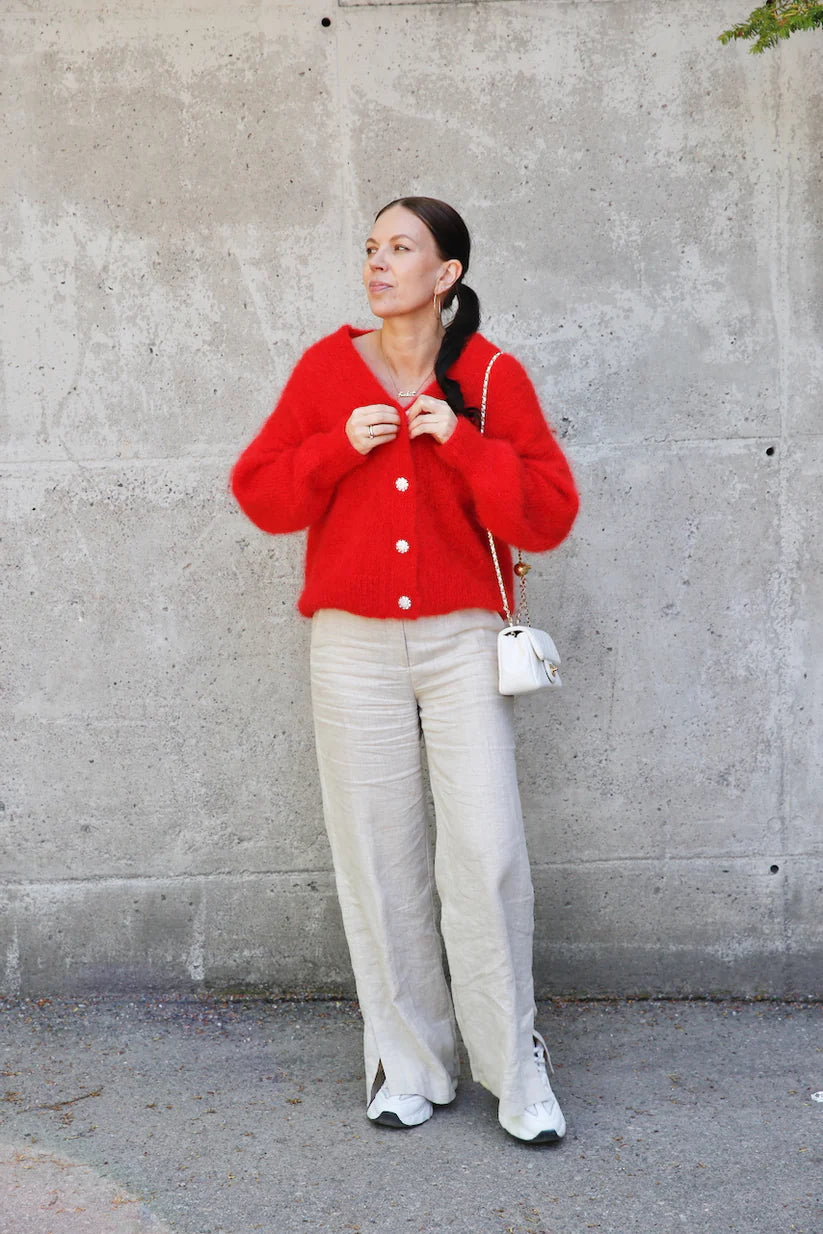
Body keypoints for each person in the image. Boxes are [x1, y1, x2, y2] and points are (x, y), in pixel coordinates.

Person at [230, 196, 579, 1143]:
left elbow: (547, 513)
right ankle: (408, 1060)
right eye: (370, 248)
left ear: (446, 273)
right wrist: (333, 448)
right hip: (351, 645)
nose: (377, 264)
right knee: (377, 857)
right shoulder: (325, 370)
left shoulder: (490, 375)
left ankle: (515, 1067)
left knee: (487, 852)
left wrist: (459, 442)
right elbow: (262, 494)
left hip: (463, 639)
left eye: (400, 248)